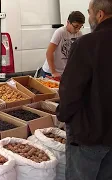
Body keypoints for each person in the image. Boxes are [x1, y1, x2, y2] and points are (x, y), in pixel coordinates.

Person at [57, 0, 112, 179]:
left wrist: (63, 115)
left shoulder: (87, 43)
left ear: (100, 14)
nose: (88, 17)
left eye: (89, 13)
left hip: (88, 134)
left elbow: (70, 90)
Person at [40, 11, 85, 78]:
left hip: (64, 72)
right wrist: (53, 72)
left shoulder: (79, 34)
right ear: (68, 22)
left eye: (80, 27)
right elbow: (49, 52)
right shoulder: (60, 32)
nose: (77, 30)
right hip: (50, 71)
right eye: (76, 26)